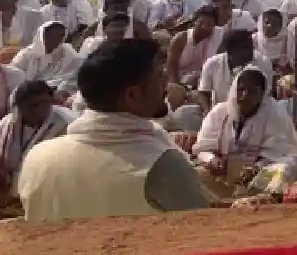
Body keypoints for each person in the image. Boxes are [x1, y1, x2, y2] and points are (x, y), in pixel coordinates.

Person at [18, 38, 213, 221]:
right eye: (160, 76)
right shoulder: (161, 165)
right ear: (132, 95)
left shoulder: (37, 156)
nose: (167, 85)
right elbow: (205, 231)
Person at [192, 67, 297, 198]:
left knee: (284, 169)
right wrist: (212, 160)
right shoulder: (218, 112)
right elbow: (202, 149)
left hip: (258, 174)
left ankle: (265, 204)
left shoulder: (275, 113)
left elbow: (279, 152)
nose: (245, 96)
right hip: (222, 174)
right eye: (240, 89)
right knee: (194, 174)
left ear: (262, 94)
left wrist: (256, 168)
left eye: (252, 91)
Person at [0, 81, 75, 208]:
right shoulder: (6, 125)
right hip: (8, 196)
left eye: (45, 104)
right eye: (32, 105)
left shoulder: (66, 124)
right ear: (19, 106)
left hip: (47, 195)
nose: (39, 109)